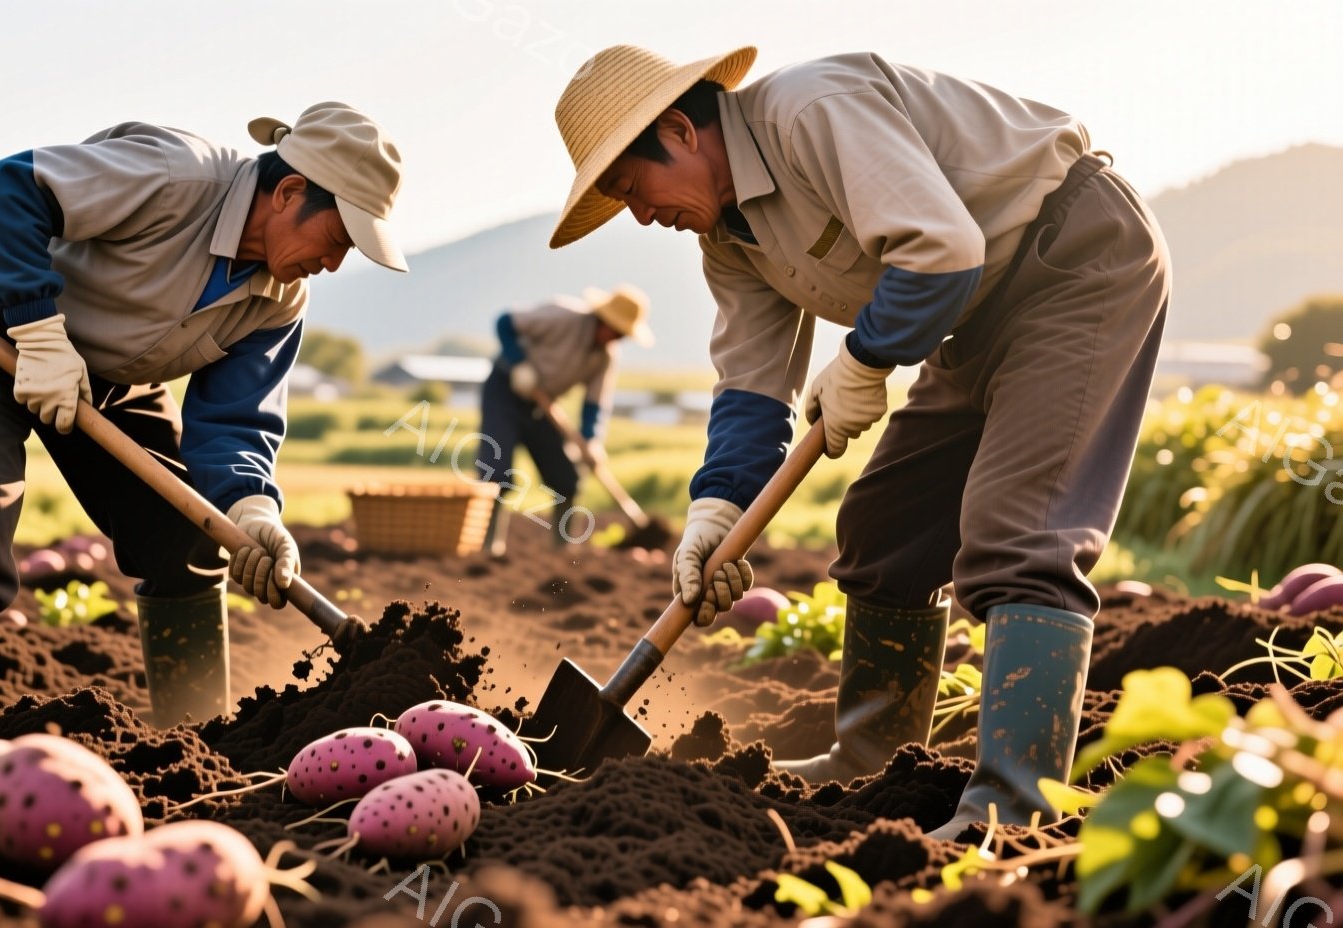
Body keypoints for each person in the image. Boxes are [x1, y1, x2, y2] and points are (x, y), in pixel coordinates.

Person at [547, 46, 1169, 837]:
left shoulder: (811, 110)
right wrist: (716, 506)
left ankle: (1016, 809)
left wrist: (865, 359)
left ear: (679, 129)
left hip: (1072, 259)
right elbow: (751, 386)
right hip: (969, 320)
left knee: (1020, 530)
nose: (640, 216)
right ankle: (876, 757)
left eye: (634, 189)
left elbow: (942, 250)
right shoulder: (728, 243)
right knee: (885, 526)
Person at [0, 104, 406, 753]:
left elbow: (234, 422)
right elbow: (11, 186)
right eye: (339, 235)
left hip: (109, 372)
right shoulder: (175, 175)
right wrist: (40, 331)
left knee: (184, 540)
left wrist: (251, 508)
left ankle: (196, 744)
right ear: (290, 192)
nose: (334, 260)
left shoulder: (279, 301)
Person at [475, 286, 652, 554]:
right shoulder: (563, 316)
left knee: (567, 478)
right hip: (504, 392)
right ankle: (487, 546)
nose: (615, 339)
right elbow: (505, 322)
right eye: (615, 331)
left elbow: (594, 403)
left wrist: (591, 440)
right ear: (602, 320)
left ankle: (562, 550)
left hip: (542, 405)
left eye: (621, 336)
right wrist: (519, 363)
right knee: (496, 472)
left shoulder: (605, 357)